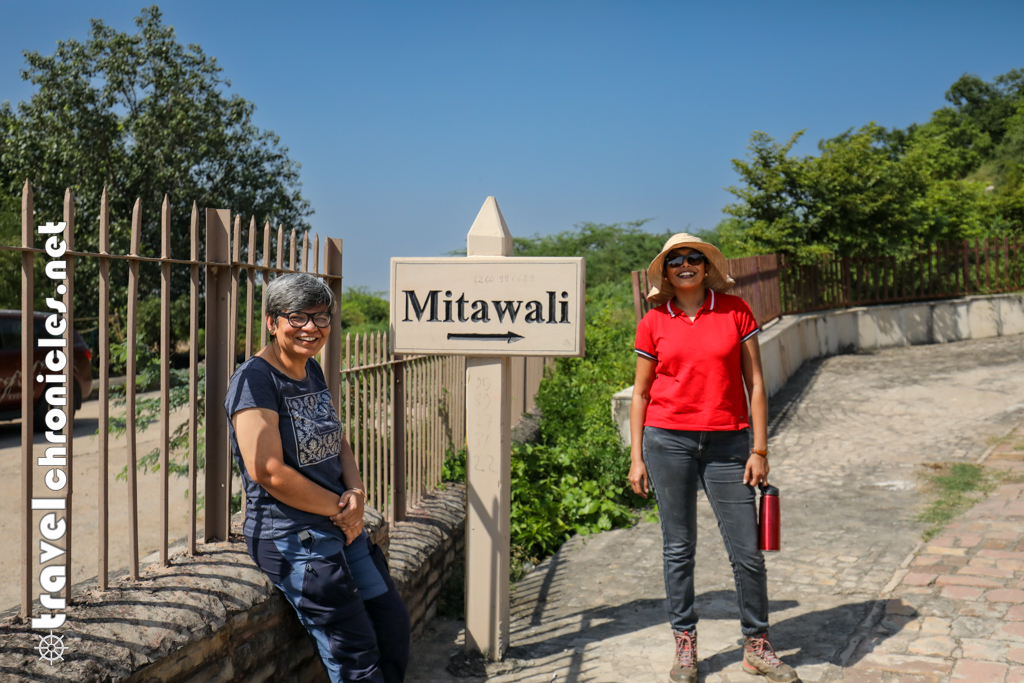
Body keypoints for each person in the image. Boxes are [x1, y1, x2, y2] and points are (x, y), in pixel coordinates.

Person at [628, 234, 799, 683]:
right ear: (665, 273)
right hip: (667, 442)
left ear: (706, 267)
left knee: (748, 551)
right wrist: (636, 457)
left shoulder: (735, 311)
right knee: (678, 548)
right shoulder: (653, 322)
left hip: (729, 444)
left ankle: (757, 645)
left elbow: (756, 384)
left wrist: (760, 449)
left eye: (694, 258)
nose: (686, 265)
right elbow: (641, 393)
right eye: (676, 261)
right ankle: (685, 646)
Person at [225, 272, 410, 683]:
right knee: (354, 656)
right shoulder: (255, 379)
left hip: (341, 525)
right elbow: (268, 471)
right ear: (273, 322)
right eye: (298, 316)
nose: (311, 327)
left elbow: (335, 438)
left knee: (392, 625)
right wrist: (341, 509)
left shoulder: (310, 369)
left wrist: (356, 494)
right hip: (292, 537)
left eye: (322, 317)